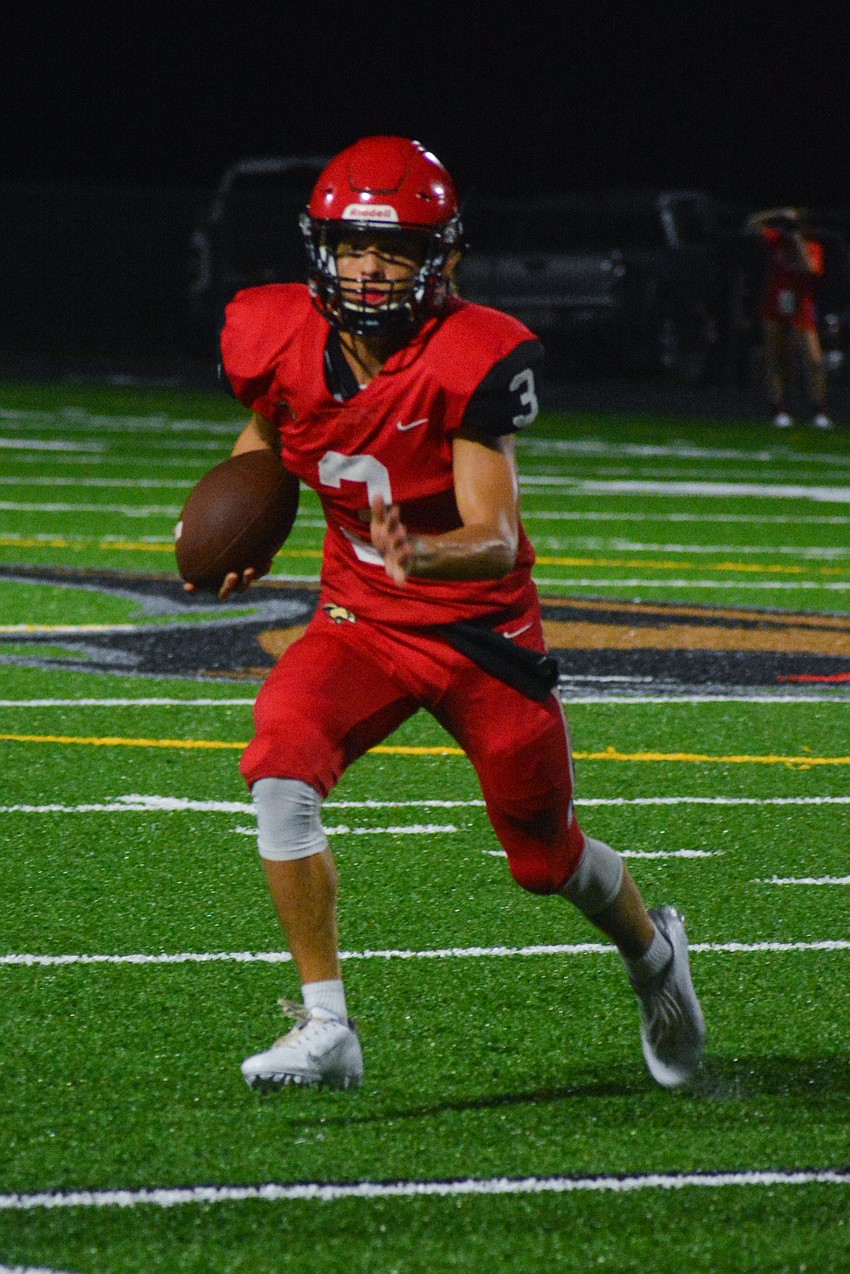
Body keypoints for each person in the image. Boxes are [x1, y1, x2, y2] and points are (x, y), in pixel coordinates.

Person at [203, 136, 705, 1093]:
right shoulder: (276, 335)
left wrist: (425, 551)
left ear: (444, 262)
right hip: (362, 622)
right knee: (280, 766)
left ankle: (654, 956)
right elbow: (270, 432)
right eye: (354, 246)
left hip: (480, 636)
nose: (370, 268)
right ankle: (326, 1025)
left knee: (544, 857)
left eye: (395, 252)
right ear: (321, 246)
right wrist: (252, 520)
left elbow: (499, 536)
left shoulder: (469, 356)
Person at [747, 207, 833, 429]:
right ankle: (778, 407)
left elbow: (810, 270)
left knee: (814, 359)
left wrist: (797, 240)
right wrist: (779, 214)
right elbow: (752, 224)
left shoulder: (813, 247)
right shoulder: (775, 241)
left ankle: (819, 409)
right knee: (775, 355)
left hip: (802, 304)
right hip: (776, 299)